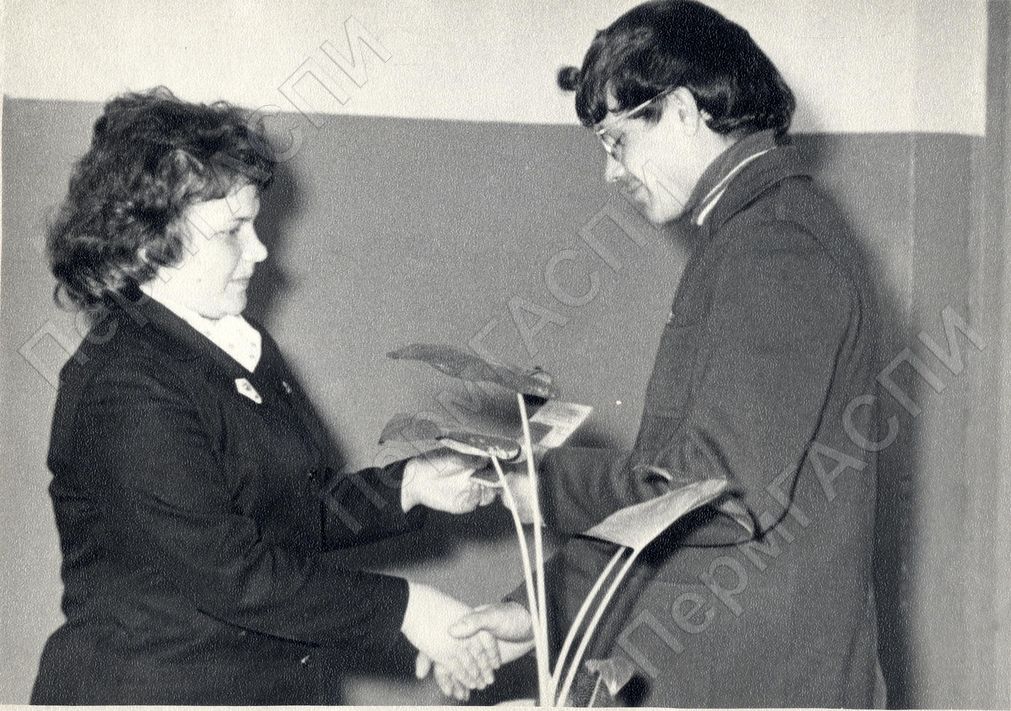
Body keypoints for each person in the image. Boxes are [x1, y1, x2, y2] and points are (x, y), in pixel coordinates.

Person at [441, 1, 884, 706]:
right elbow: (665, 496)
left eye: (616, 141)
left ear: (680, 110)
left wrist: (542, 486)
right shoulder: (746, 234)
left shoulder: (775, 247)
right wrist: (538, 610)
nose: (609, 172)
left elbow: (713, 492)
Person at [31, 87, 505, 705]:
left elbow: (286, 516)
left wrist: (409, 485)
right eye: (233, 230)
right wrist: (410, 609)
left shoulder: (238, 343)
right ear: (148, 242)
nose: (259, 252)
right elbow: (234, 574)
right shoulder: (124, 383)